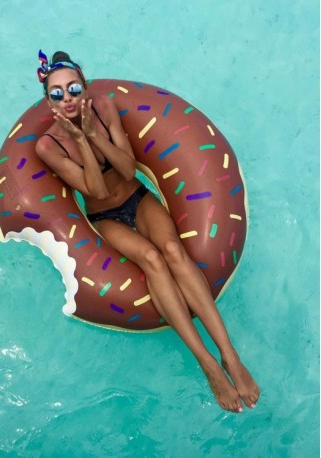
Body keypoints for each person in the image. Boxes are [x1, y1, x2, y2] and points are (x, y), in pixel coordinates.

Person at [35, 50, 260, 413]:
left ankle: (230, 356)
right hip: (105, 215)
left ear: (85, 86)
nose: (68, 98)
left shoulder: (104, 109)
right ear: (49, 101)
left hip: (138, 198)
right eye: (57, 93)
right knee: (152, 259)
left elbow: (125, 171)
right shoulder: (48, 145)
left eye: (73, 88)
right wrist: (79, 139)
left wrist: (94, 131)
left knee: (172, 250)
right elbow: (96, 191)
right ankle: (207, 363)